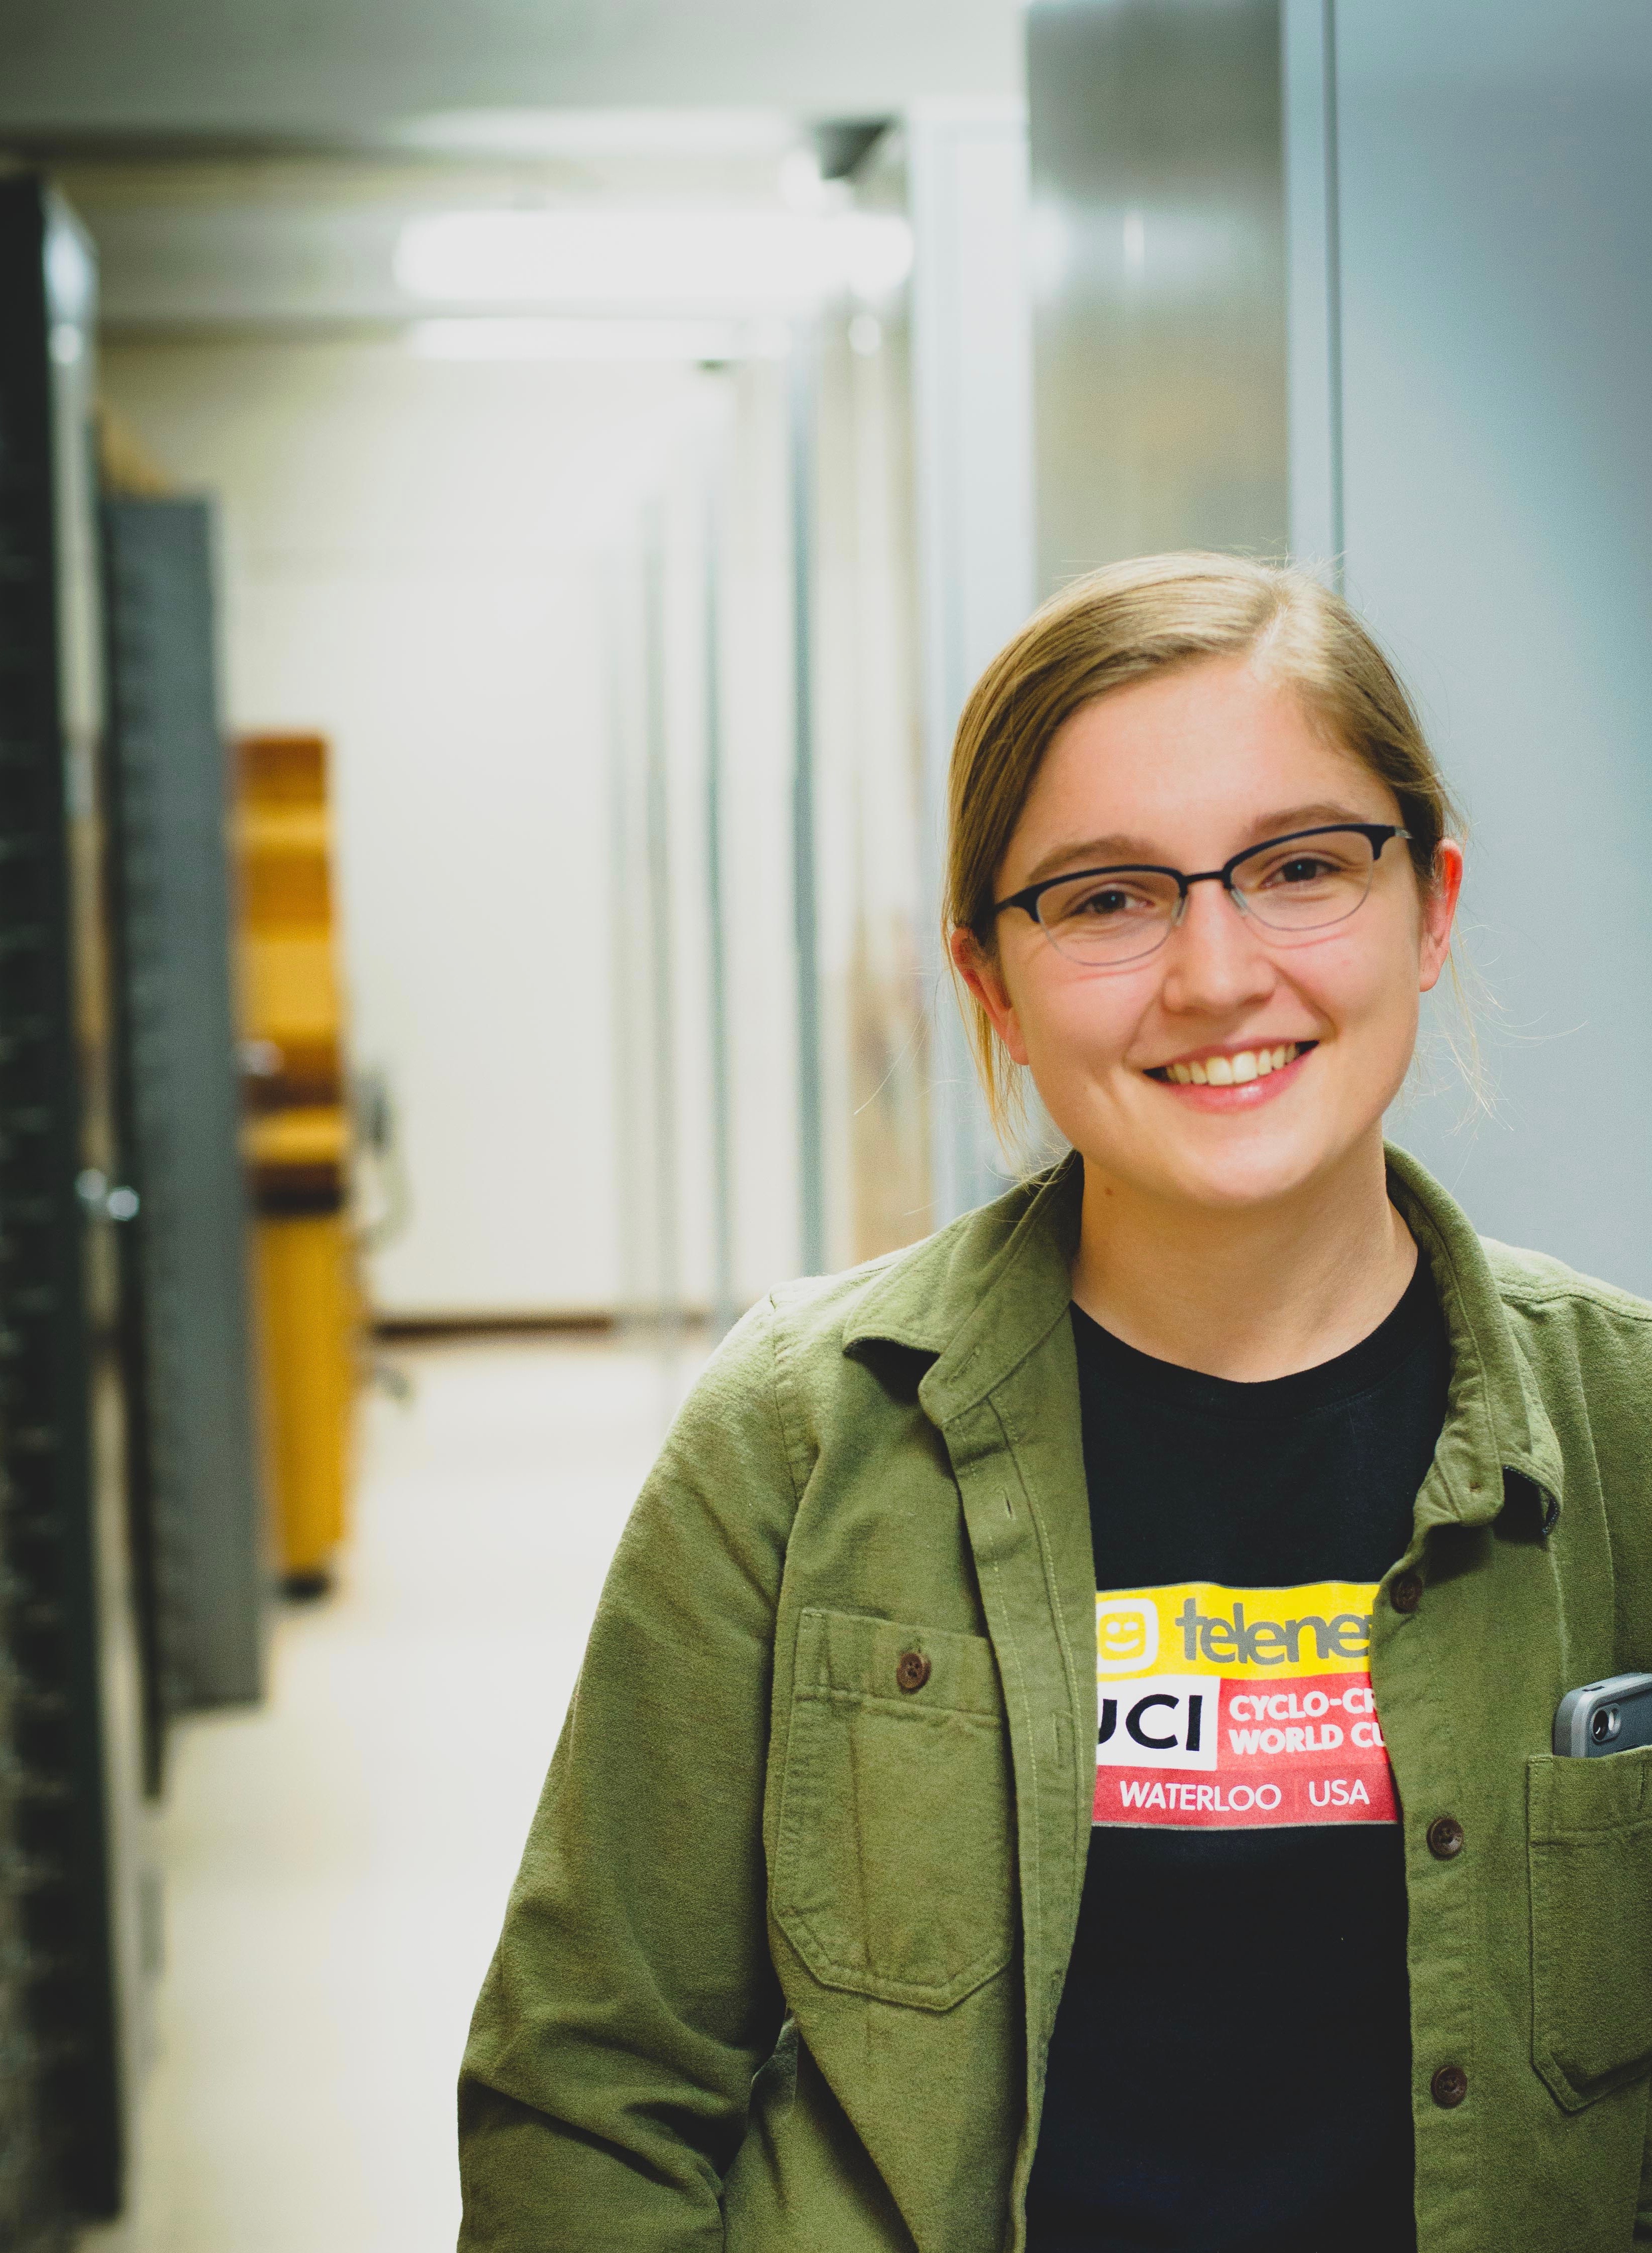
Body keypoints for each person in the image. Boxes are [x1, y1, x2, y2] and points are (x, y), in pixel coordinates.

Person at [458, 553, 1652, 2253]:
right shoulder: (802, 1436)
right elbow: (585, 2093)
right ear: (989, 980)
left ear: (1432, 906)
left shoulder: (1629, 1432)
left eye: (1303, 866)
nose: (1217, 973)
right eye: (1107, 898)